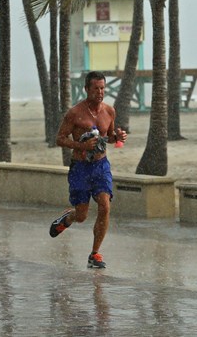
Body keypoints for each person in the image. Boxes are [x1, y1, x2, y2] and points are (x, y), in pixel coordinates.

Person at [48, 71, 127, 269]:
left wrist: (116, 137)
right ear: (86, 89)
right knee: (82, 215)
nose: (100, 92)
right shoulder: (74, 113)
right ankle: (69, 217)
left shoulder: (109, 111)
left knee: (105, 205)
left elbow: (108, 136)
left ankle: (95, 254)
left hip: (101, 166)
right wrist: (83, 146)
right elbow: (59, 139)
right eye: (96, 88)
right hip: (80, 168)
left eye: (102, 88)